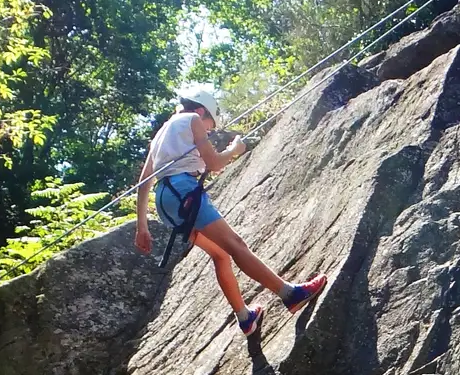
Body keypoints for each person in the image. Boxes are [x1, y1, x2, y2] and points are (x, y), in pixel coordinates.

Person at [134, 83, 327, 336]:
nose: (209, 130)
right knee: (236, 245)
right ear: (201, 111)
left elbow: (144, 183)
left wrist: (142, 226)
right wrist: (234, 150)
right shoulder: (192, 119)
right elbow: (215, 163)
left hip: (165, 201)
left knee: (221, 254)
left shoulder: (162, 133)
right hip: (183, 191)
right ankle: (290, 294)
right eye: (210, 125)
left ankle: (245, 317)